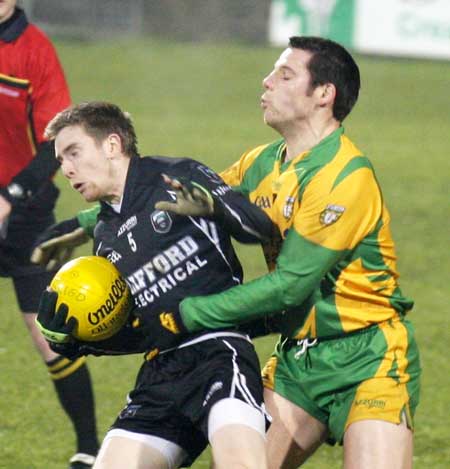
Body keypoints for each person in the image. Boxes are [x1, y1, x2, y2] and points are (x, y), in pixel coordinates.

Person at [30, 37, 422, 469]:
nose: (267, 81)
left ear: (323, 95)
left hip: (366, 357)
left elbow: (290, 287)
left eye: (285, 75)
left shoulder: (346, 178)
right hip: (297, 360)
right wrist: (87, 224)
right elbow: (164, 195)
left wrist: (189, 315)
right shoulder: (263, 163)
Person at [36, 101, 273, 469]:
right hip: (160, 375)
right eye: (61, 159)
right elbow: (145, 331)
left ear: (112, 145)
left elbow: (260, 228)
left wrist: (215, 206)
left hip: (219, 355)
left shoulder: (176, 176)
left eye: (74, 152)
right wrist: (83, 342)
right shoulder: (105, 237)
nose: (66, 168)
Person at [0, 2, 99, 467]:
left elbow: (54, 145)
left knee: (50, 338)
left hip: (26, 212)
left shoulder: (35, 50)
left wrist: (9, 196)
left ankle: (89, 448)